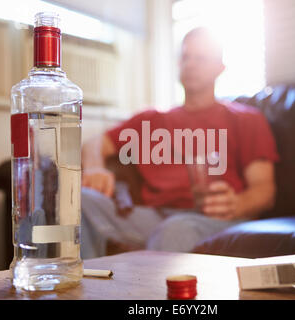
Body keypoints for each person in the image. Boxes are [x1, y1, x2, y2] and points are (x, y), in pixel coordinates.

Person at [80, 27, 279, 258]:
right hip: (153, 216)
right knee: (80, 201)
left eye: (201, 58)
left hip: (213, 219)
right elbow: (95, 143)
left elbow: (265, 190)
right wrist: (94, 166)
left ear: (220, 68)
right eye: (186, 57)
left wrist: (239, 204)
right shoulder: (151, 120)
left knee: (176, 229)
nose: (191, 64)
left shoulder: (246, 119)